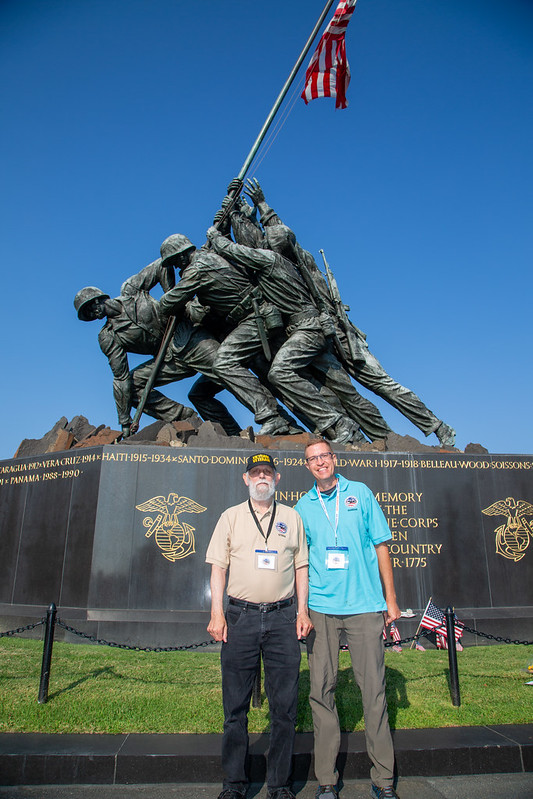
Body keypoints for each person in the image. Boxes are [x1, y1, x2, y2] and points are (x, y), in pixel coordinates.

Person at [243, 178, 456, 448]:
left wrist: (263, 204)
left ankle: (437, 426)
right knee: (348, 395)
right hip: (320, 337)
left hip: (343, 335)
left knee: (382, 384)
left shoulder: (302, 261)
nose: (270, 249)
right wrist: (253, 209)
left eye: (273, 246)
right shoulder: (282, 266)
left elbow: (280, 232)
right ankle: (383, 438)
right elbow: (271, 238)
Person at [295, 439, 401, 799]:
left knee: (373, 692)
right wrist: (302, 609)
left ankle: (384, 779)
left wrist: (390, 599)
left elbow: (381, 546)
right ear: (307, 466)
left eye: (325, 456)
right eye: (313, 459)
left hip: (363, 607)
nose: (320, 462)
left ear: (334, 459)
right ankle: (326, 779)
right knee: (321, 692)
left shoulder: (360, 493)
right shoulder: (302, 506)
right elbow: (301, 564)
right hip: (322, 609)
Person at [206, 453, 313, 799]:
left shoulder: (292, 518)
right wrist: (217, 614)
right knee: (234, 708)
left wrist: (302, 612)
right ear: (246, 479)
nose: (262, 477)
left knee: (284, 708)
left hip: (283, 618)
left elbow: (301, 568)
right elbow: (218, 569)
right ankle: (234, 783)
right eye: (256, 472)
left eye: (268, 472)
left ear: (277, 478)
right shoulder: (230, 517)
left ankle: (279, 784)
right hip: (240, 617)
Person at [73, 258, 241, 437]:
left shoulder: (132, 290)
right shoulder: (108, 336)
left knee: (231, 375)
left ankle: (271, 416)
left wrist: (172, 299)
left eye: (90, 306)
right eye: (88, 314)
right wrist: (125, 420)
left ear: (99, 297)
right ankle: (183, 418)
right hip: (169, 360)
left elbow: (163, 265)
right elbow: (120, 378)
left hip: (189, 339)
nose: (92, 312)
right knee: (132, 385)